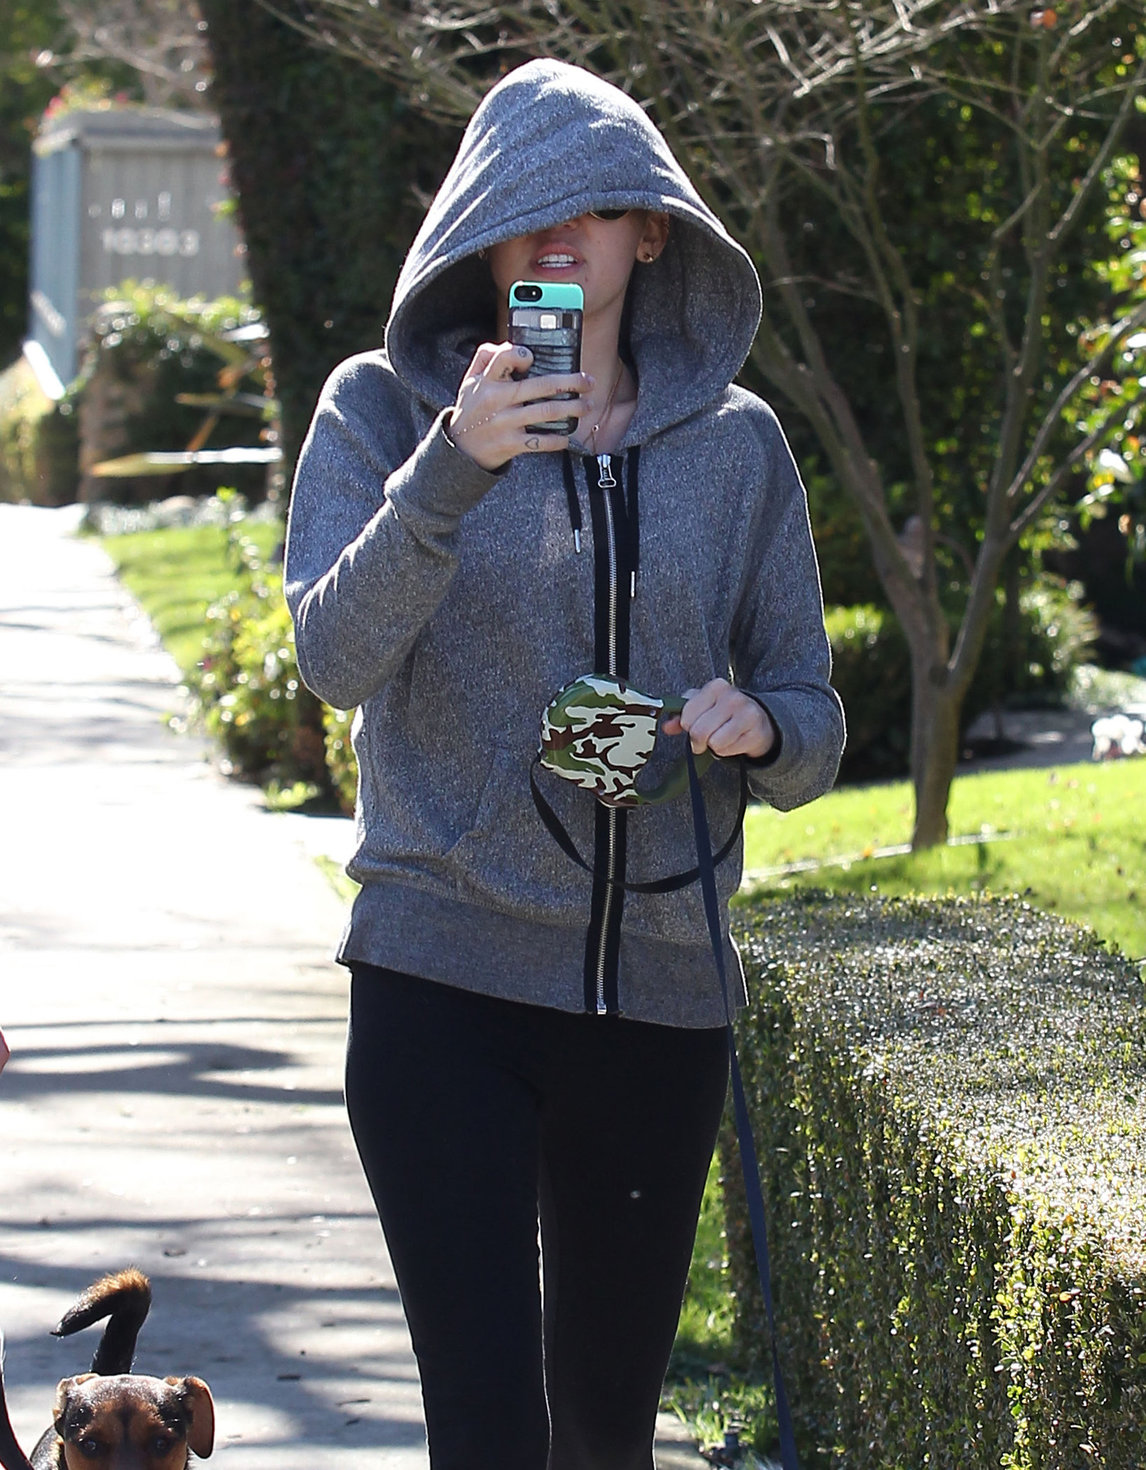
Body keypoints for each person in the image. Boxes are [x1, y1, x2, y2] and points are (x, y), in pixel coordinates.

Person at [284, 58, 845, 1470]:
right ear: (473, 233)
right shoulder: (377, 413)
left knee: (604, 1433)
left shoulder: (737, 448)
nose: (556, 238)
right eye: (523, 211)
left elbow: (813, 714)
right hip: (440, 985)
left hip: (655, 999)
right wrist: (449, 470)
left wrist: (758, 728)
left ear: (649, 234)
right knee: (488, 1430)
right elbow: (333, 659)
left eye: (594, 211)